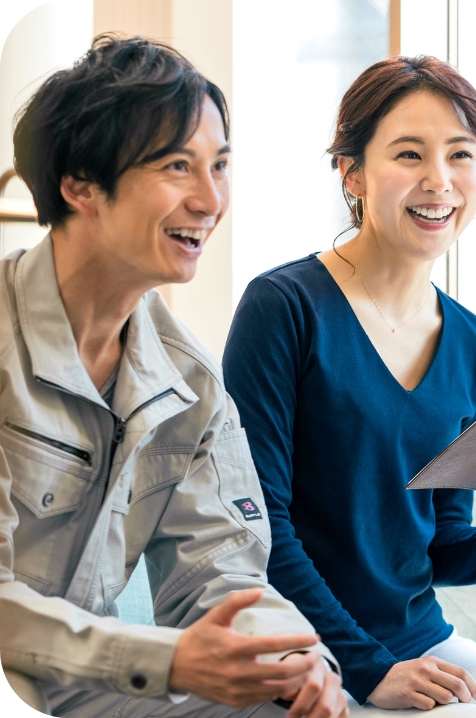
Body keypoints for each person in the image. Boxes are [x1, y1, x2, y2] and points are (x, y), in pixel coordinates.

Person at [221, 57, 476, 718]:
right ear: (352, 174)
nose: (439, 181)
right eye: (409, 154)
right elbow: (257, 528)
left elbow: (438, 549)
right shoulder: (283, 308)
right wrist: (369, 671)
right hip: (303, 653)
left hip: (418, 642)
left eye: (462, 154)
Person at [0, 36, 348, 718]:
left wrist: (292, 661)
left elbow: (221, 570)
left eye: (219, 166)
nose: (210, 199)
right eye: (176, 167)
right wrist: (164, 659)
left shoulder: (190, 379)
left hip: (82, 690)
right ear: (79, 185)